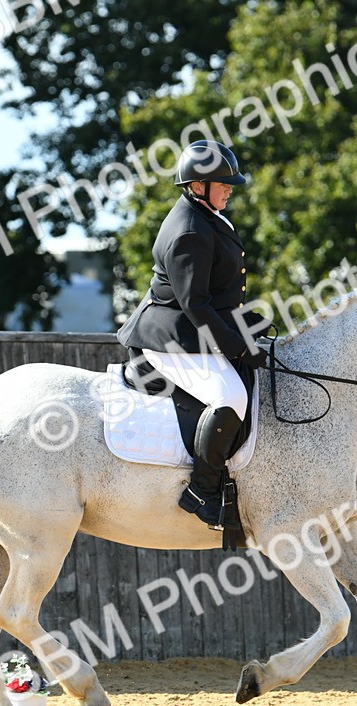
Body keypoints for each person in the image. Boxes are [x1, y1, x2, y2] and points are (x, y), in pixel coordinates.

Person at [116, 140, 267, 527]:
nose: (230, 188)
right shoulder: (189, 231)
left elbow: (215, 293)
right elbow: (195, 304)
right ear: (198, 185)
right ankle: (202, 490)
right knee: (230, 396)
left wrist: (244, 323)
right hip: (168, 338)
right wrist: (237, 345)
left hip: (190, 329)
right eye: (224, 183)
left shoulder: (208, 217)